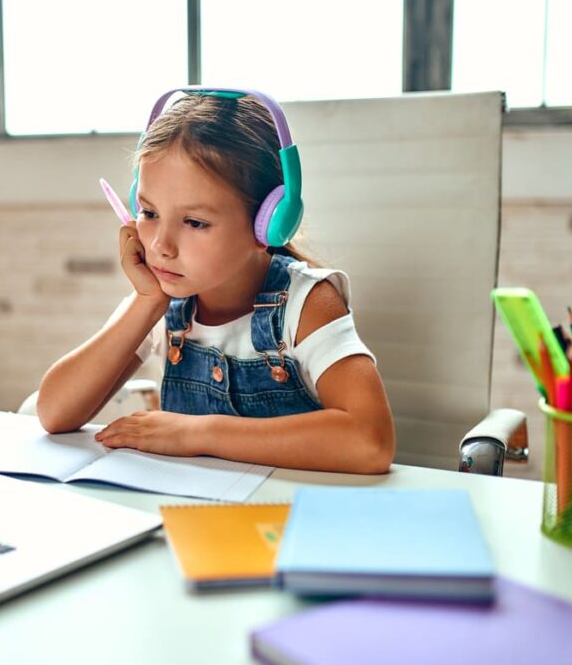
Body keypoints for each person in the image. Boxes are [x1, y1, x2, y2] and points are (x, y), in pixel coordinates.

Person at [36, 88, 395, 475]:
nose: (160, 246)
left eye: (195, 222)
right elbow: (55, 413)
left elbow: (369, 441)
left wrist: (196, 434)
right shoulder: (161, 305)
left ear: (269, 224)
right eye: (149, 212)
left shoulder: (306, 304)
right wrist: (146, 303)